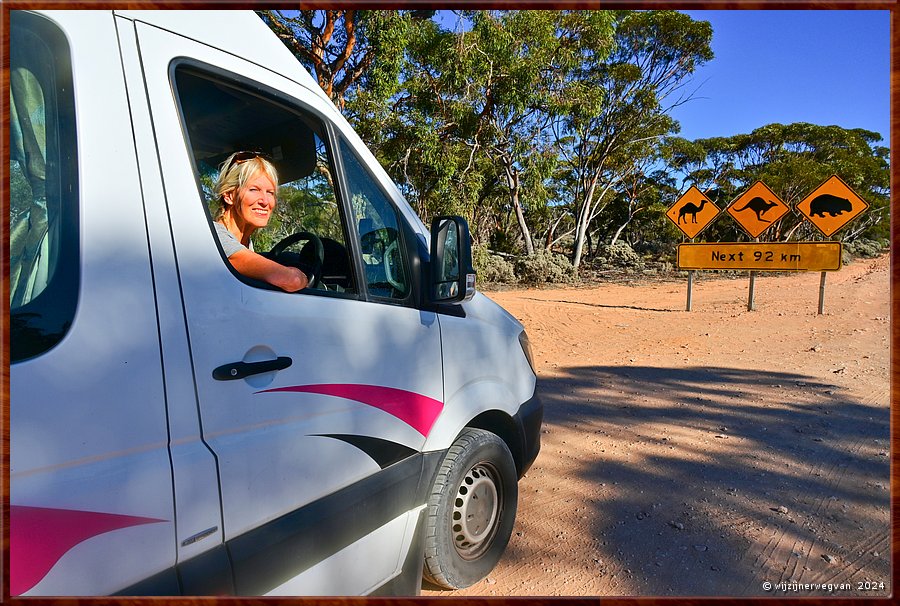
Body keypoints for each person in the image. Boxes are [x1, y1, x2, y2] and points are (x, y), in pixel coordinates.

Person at [213, 151, 308, 292]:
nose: (265, 201)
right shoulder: (216, 237)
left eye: (270, 192)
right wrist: (303, 277)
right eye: (254, 189)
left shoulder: (245, 243)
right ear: (229, 196)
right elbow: (291, 280)